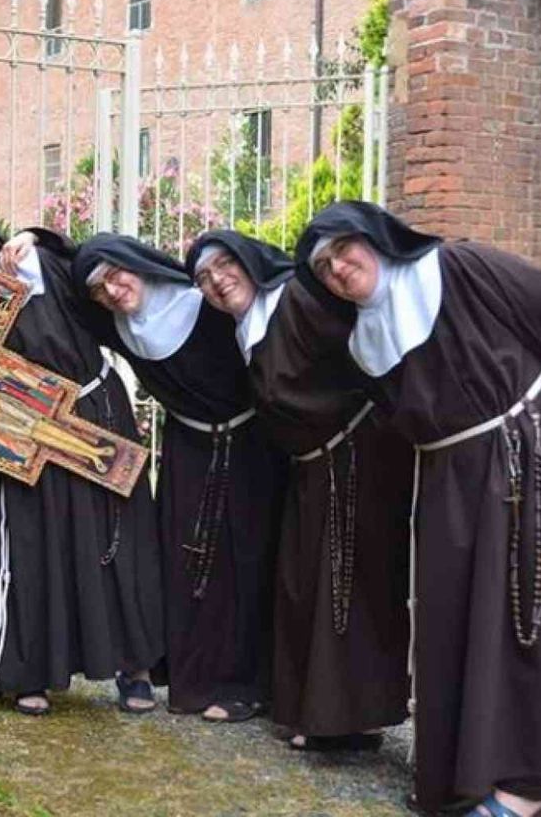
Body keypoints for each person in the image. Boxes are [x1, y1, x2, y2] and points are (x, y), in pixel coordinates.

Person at [298, 201, 541, 816]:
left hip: (533, 451)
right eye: (323, 267)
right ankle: (458, 776)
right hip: (451, 476)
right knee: (453, 619)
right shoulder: (364, 340)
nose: (337, 268)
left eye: (342, 250)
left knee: (526, 614)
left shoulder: (456, 267)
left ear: (376, 240)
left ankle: (522, 791)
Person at [0, 201, 163, 716]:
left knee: (114, 539)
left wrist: (38, 234)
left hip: (94, 412)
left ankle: (134, 667)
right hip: (19, 429)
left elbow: (88, 262)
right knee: (33, 545)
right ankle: (32, 670)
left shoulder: (38, 265)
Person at [185, 230, 411, 753]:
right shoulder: (247, 324)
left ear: (247, 260)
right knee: (306, 585)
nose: (217, 281)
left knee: (346, 589)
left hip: (356, 458)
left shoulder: (298, 298)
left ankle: (347, 721)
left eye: (224, 266)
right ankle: (319, 712)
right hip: (315, 465)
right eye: (203, 278)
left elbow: (368, 345)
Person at [71, 234, 287, 722]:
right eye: (99, 289)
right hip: (188, 449)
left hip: (250, 444)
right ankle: (195, 679)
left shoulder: (205, 304)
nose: (112, 290)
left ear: (135, 264)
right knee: (188, 566)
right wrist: (27, 239)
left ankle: (247, 685)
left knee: (248, 561)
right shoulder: (119, 326)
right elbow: (54, 266)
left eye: (114, 274)